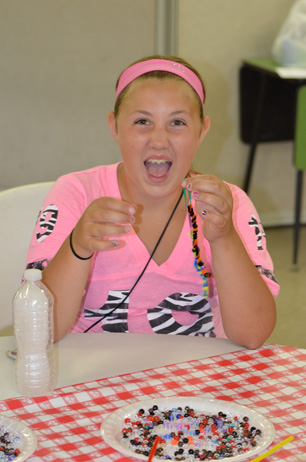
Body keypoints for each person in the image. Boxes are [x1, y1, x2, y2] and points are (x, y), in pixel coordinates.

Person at [26, 55, 279, 348]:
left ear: (202, 130)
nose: (159, 140)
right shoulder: (76, 193)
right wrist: (78, 247)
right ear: (114, 126)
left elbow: (254, 333)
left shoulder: (229, 204)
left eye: (177, 122)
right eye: (142, 121)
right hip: (94, 378)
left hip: (195, 378)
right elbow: (38, 331)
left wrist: (224, 239)